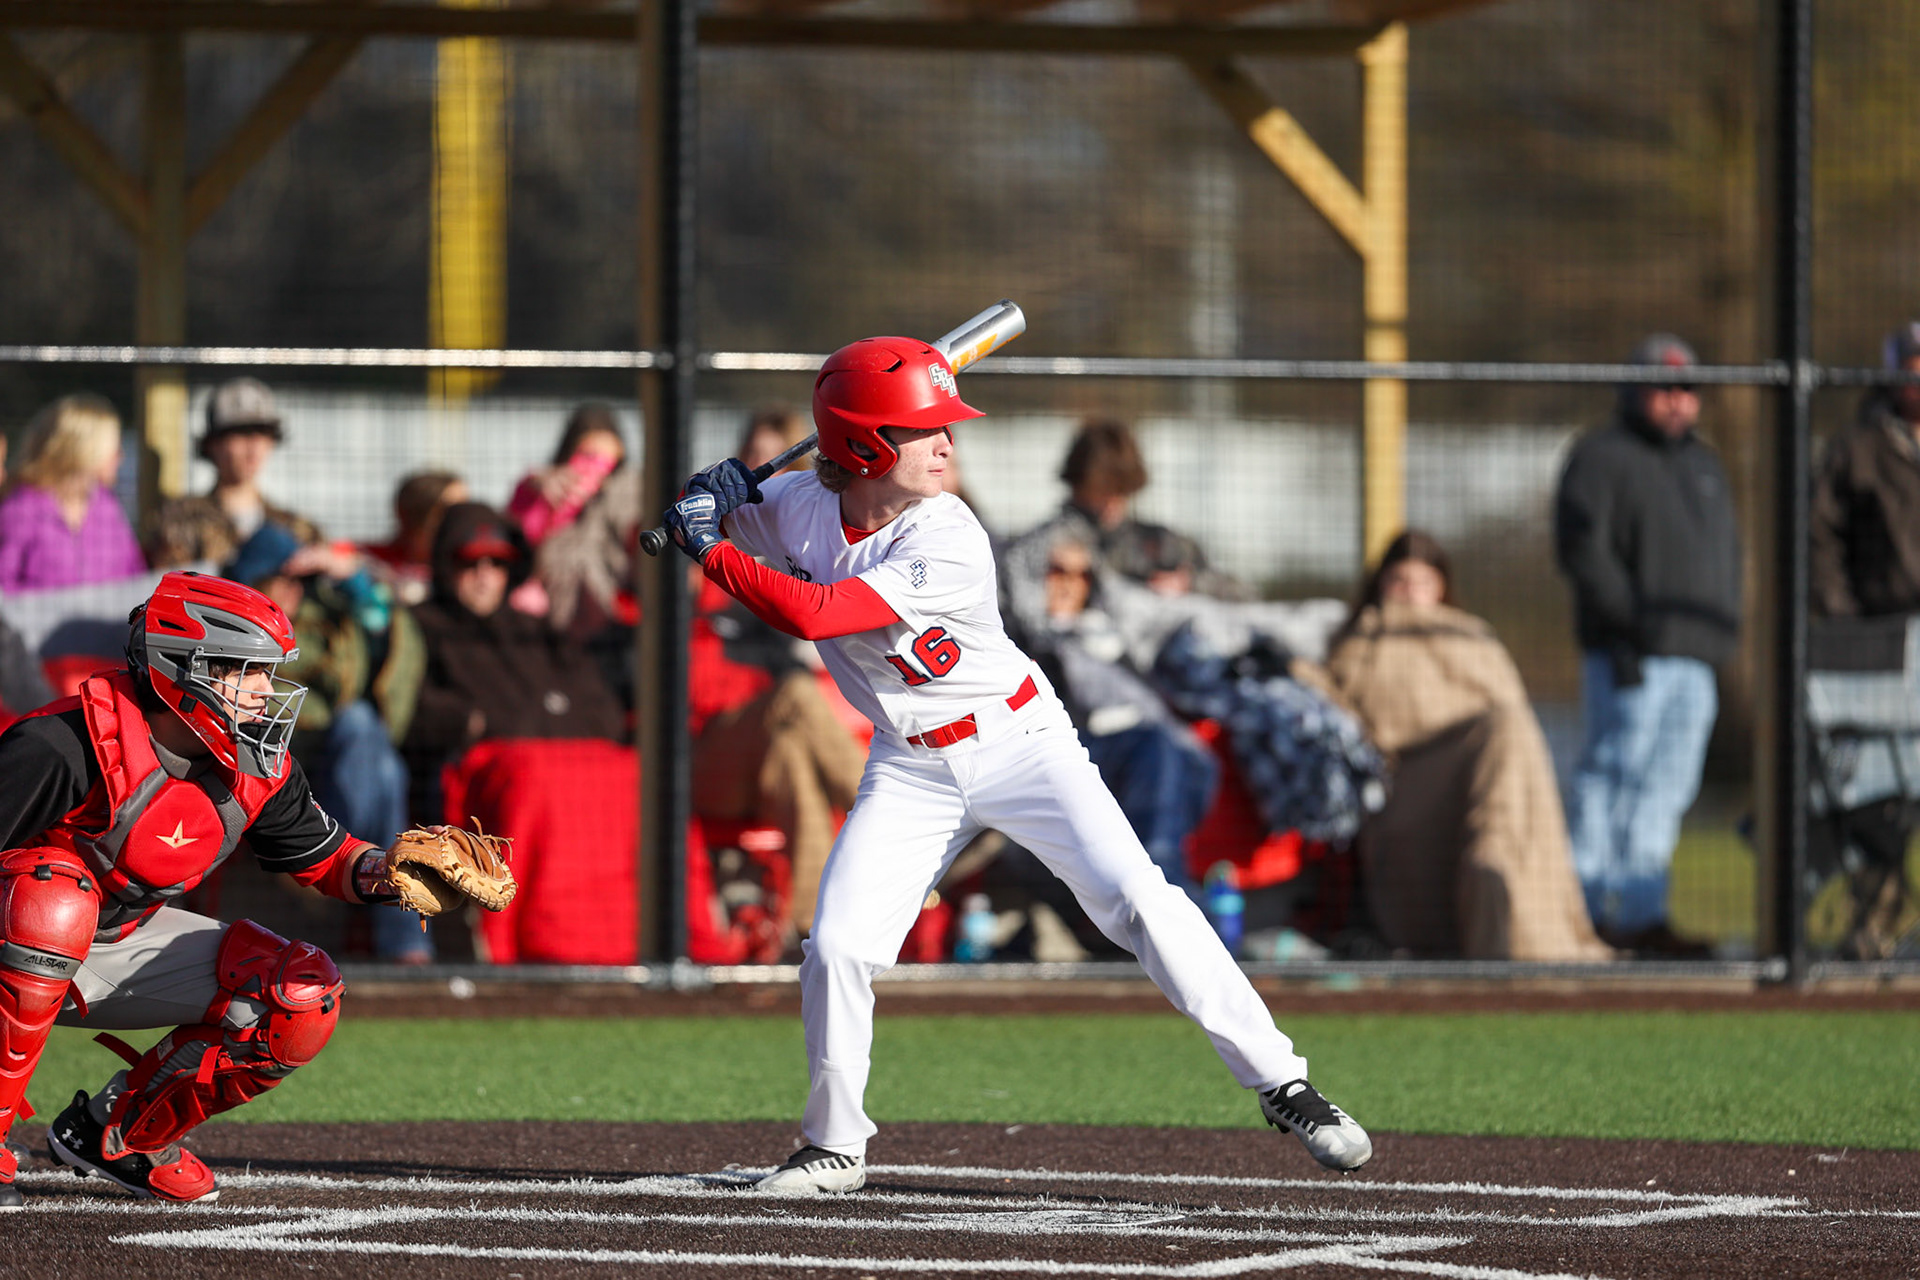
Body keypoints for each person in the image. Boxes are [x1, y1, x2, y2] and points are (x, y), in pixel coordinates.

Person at [662, 333, 1371, 1192]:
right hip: (911, 766)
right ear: (860, 447)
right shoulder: (801, 505)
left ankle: (1284, 1084)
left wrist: (710, 539)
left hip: (1020, 744)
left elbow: (811, 611)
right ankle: (835, 1145)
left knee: (1139, 900)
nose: (947, 443)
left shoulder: (950, 532)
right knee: (839, 946)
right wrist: (715, 493)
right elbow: (722, 511)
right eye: (924, 430)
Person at [0, 571, 496, 1207]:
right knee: (52, 901)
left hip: (111, 939)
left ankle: (119, 1134)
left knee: (299, 993)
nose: (267, 691)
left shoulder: (255, 760)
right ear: (181, 667)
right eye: (245, 670)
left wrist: (395, 872)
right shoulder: (63, 744)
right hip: (24, 934)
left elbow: (327, 858)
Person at [1323, 532, 1613, 961]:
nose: (1410, 593)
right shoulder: (1359, 642)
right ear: (1381, 583)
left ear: (1442, 587)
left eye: (1422, 582)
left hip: (1488, 776)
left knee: (1508, 730)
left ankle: (1496, 871)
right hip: (1406, 786)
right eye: (1400, 580)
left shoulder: (1473, 637)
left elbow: (1510, 712)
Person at [1553, 333, 1741, 955]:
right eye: (1664, 387)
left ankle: (1641, 913)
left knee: (1667, 791)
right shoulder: (1601, 456)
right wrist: (1632, 624)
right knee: (1611, 779)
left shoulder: (1704, 463)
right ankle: (1584, 918)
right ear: (1632, 388)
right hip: (1629, 656)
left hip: (1697, 657)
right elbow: (1584, 551)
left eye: (1687, 389)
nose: (1677, 401)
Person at [225, 523, 433, 963]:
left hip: (339, 767)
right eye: (281, 580)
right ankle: (403, 938)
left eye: (299, 580)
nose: (292, 591)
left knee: (369, 741)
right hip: (270, 762)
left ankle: (350, 867)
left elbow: (389, 629)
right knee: (385, 774)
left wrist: (353, 577)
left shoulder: (326, 619)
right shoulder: (229, 633)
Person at [1808, 319, 1920, 957]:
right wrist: (1846, 621)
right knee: (1881, 786)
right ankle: (1874, 918)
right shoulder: (1858, 448)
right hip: (1881, 641)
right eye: (1912, 363)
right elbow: (1820, 540)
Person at [1025, 532, 1218, 900]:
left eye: (1082, 575)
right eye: (1057, 572)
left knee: (1169, 750)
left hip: (1130, 749)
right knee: (1155, 748)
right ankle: (1161, 880)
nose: (1069, 584)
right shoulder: (1016, 636)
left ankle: (1158, 877)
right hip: (1056, 752)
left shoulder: (1110, 639)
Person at [1000, 417, 1247, 646]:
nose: (1111, 501)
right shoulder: (1043, 546)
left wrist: (1188, 584)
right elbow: (1024, 619)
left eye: (1120, 489)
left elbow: (1240, 595)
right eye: (1101, 488)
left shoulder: (1159, 542)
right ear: (1079, 482)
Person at [145, 378, 322, 570]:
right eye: (242, 433)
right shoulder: (179, 521)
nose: (254, 446)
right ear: (213, 444)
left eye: (263, 433)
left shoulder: (296, 529)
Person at [0, 394, 146, 592]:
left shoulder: (107, 506)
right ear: (83, 448)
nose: (120, 455)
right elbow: (5, 583)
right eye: (113, 446)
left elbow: (134, 575)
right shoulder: (22, 508)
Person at [507, 402, 627, 548]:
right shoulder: (551, 482)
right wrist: (537, 483)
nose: (592, 466)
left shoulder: (625, 489)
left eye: (600, 459)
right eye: (586, 455)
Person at [365, 470, 469, 608]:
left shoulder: (470, 570)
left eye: (465, 508)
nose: (464, 517)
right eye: (450, 510)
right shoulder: (369, 563)